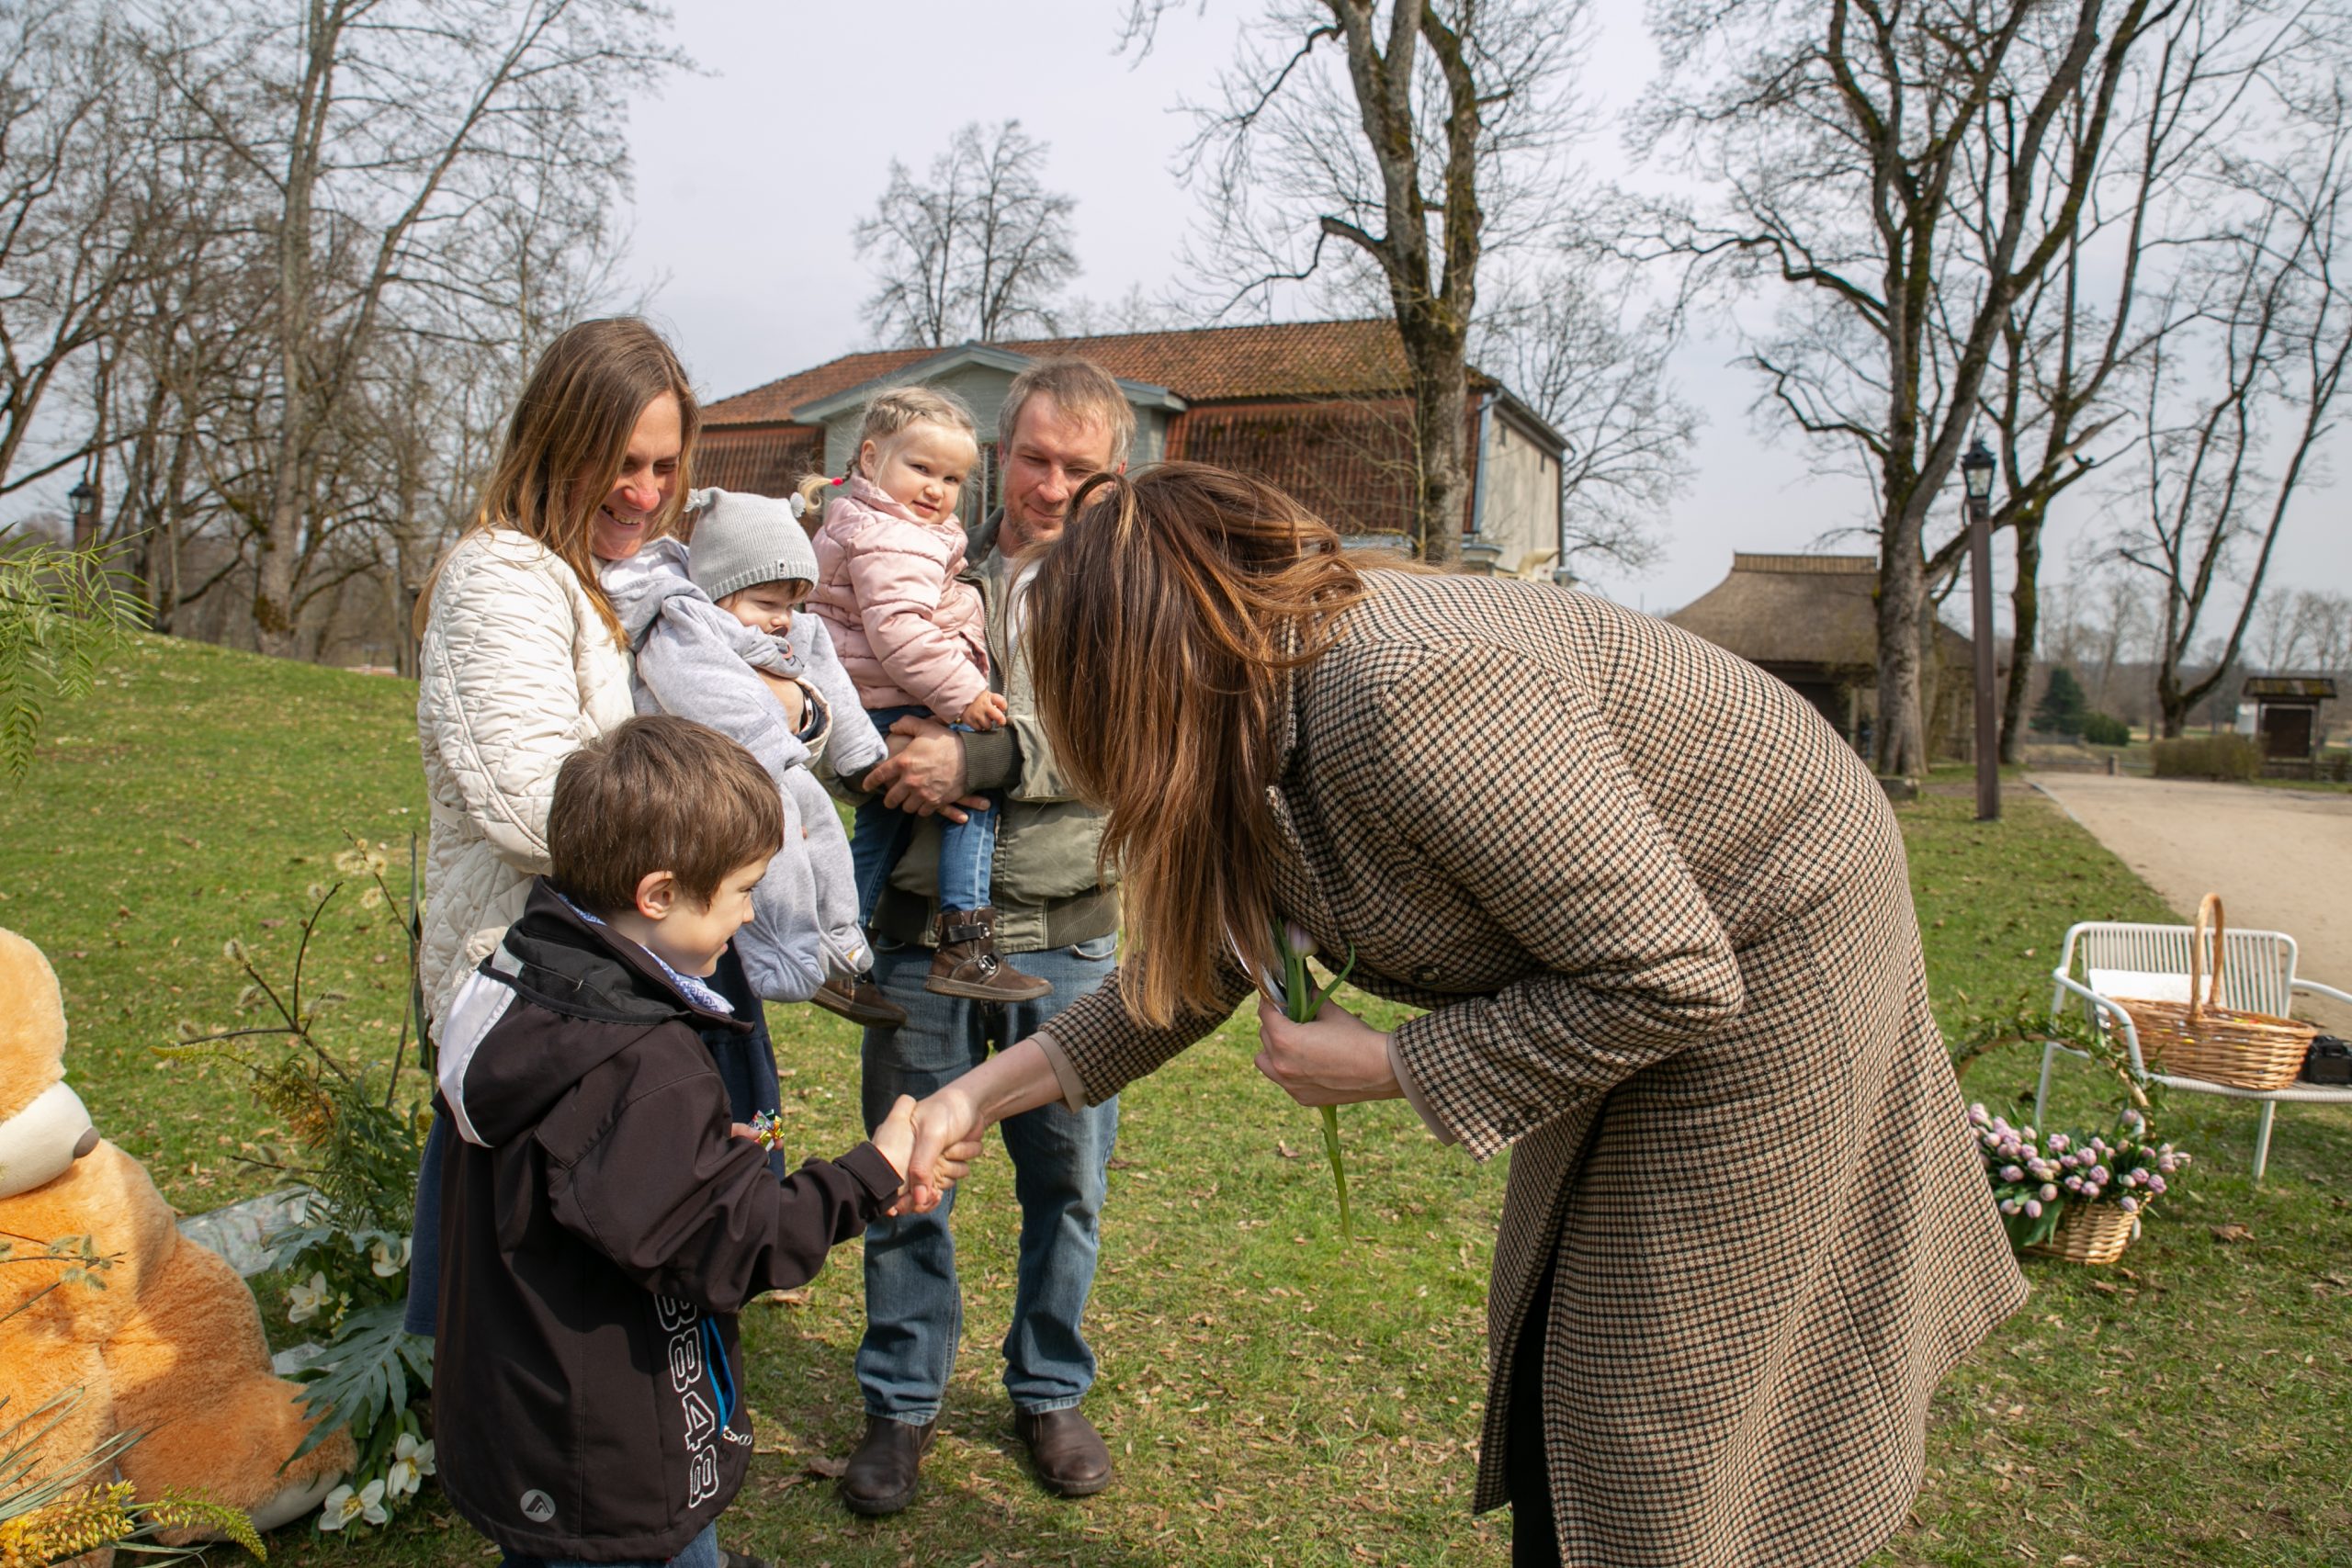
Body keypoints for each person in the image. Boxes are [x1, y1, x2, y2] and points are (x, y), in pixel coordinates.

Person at [895, 464, 2029, 1567]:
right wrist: (970, 1100)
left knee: (1658, 1378)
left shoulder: (1408, 692)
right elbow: (1187, 977)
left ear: (1142, 666)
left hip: (1775, 948)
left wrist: (1396, 1064)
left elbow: (1670, 976)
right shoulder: (1253, 701)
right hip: (1638, 961)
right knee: (1558, 1329)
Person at [431, 715, 975, 1568]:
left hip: (527, 1420)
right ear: (658, 894)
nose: (751, 913)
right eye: (743, 890)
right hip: (612, 1457)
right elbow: (732, 1243)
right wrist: (872, 1172)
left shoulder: (524, 976)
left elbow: (589, 1172)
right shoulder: (640, 1061)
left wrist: (680, 1149)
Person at [407, 318, 788, 1340]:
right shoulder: (503, 578)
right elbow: (531, 801)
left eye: (665, 466)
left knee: (645, 1310)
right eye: (620, 463)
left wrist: (791, 713)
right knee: (559, 1336)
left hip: (611, 991)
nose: (646, 492)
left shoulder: (600, 580)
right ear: (554, 443)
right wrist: (721, 815)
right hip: (541, 1010)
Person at [832, 360, 1134, 1515]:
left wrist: (980, 756)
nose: (1050, 487)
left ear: (1114, 475)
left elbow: (1128, 743)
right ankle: (900, 1404)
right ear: (1003, 452)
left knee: (1068, 1182)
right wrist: (874, 756)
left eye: (1078, 469)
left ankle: (1048, 1388)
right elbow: (830, 674)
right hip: (920, 937)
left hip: (1064, 936)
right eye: (1035, 459)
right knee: (909, 1171)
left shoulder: (1128, 592)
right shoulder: (912, 550)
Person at [611, 486, 900, 1025]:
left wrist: (859, 751)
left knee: (825, 829)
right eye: (767, 605)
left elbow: (827, 676)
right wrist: (774, 754)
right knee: (775, 855)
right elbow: (709, 696)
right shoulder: (684, 626)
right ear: (720, 592)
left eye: (790, 604)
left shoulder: (785, 631)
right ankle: (781, 952)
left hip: (776, 765)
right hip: (718, 776)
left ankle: (839, 934)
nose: (783, 619)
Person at [805, 385, 1046, 1004]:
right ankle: (965, 940)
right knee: (976, 783)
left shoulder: (868, 522)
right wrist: (966, 694)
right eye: (921, 468)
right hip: (897, 693)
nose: (937, 489)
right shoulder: (895, 535)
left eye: (953, 478)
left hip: (869, 698)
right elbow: (900, 630)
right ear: (870, 458)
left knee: (880, 826)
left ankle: (839, 949)